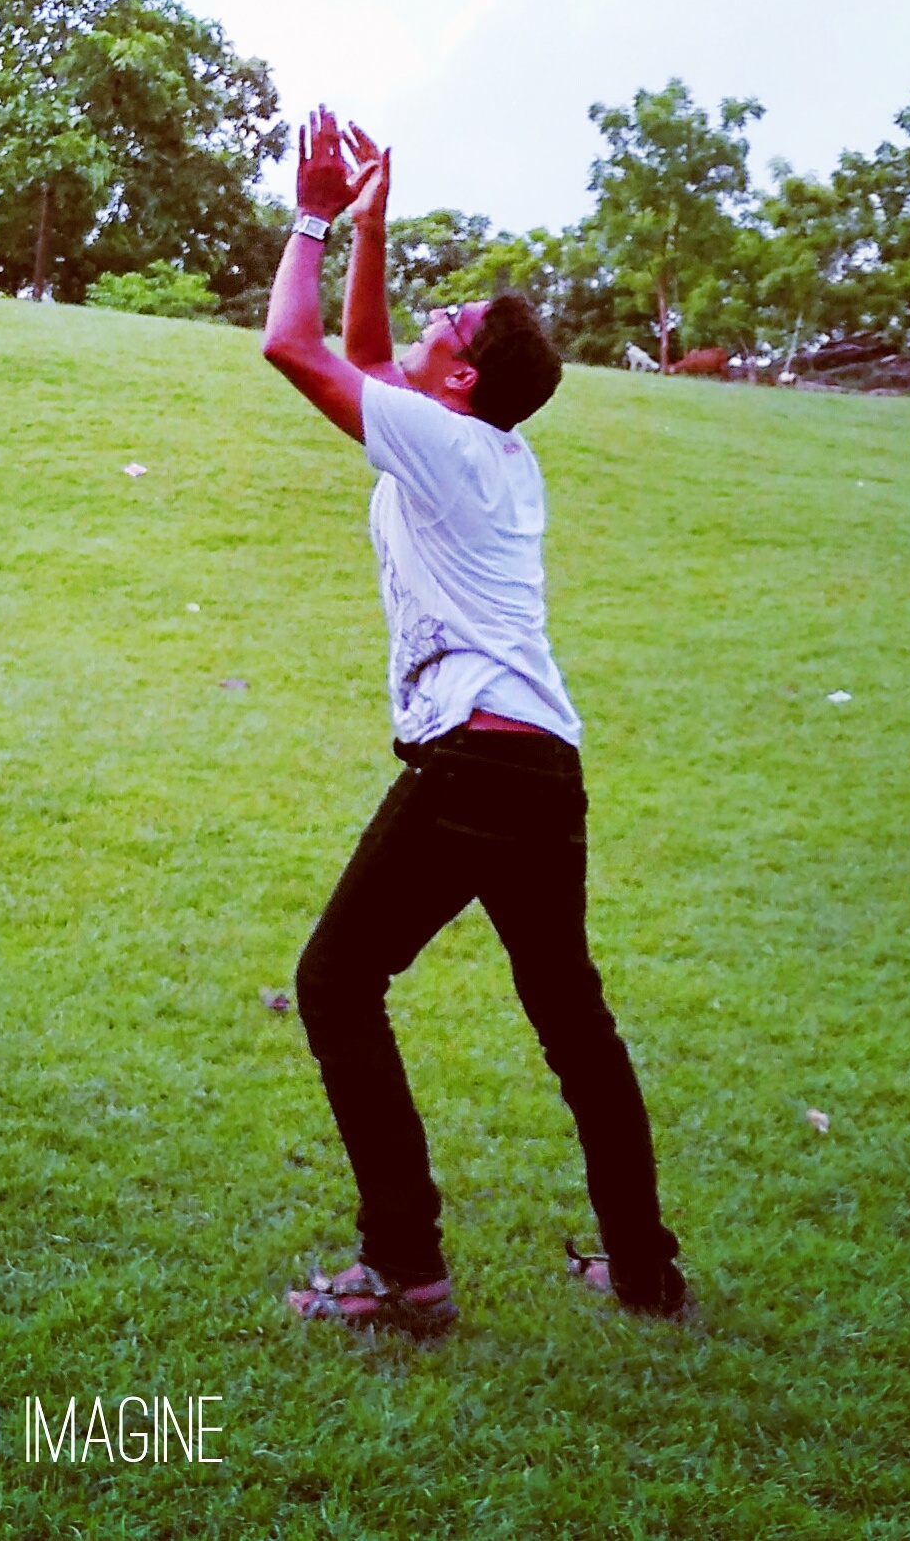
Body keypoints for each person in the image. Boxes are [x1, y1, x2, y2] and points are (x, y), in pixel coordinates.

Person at [260, 108, 689, 1340]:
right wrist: (373, 229)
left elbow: (294, 347)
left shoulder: (445, 444)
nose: (427, 327)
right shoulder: (487, 447)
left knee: (337, 983)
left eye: (446, 326)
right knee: (575, 1026)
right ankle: (645, 1274)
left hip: (473, 765)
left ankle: (407, 1275)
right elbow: (372, 357)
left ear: (462, 379)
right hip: (543, 767)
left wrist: (310, 213)